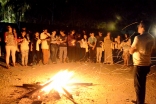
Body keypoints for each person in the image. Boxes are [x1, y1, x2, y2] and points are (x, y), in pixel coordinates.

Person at [129, 21, 155, 104]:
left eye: (139, 26)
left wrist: (132, 49)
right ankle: (139, 100)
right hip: (147, 64)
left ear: (142, 27)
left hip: (139, 64)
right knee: (142, 84)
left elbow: (131, 51)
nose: (138, 28)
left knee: (138, 85)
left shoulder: (138, 38)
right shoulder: (152, 37)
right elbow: (152, 49)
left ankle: (140, 102)